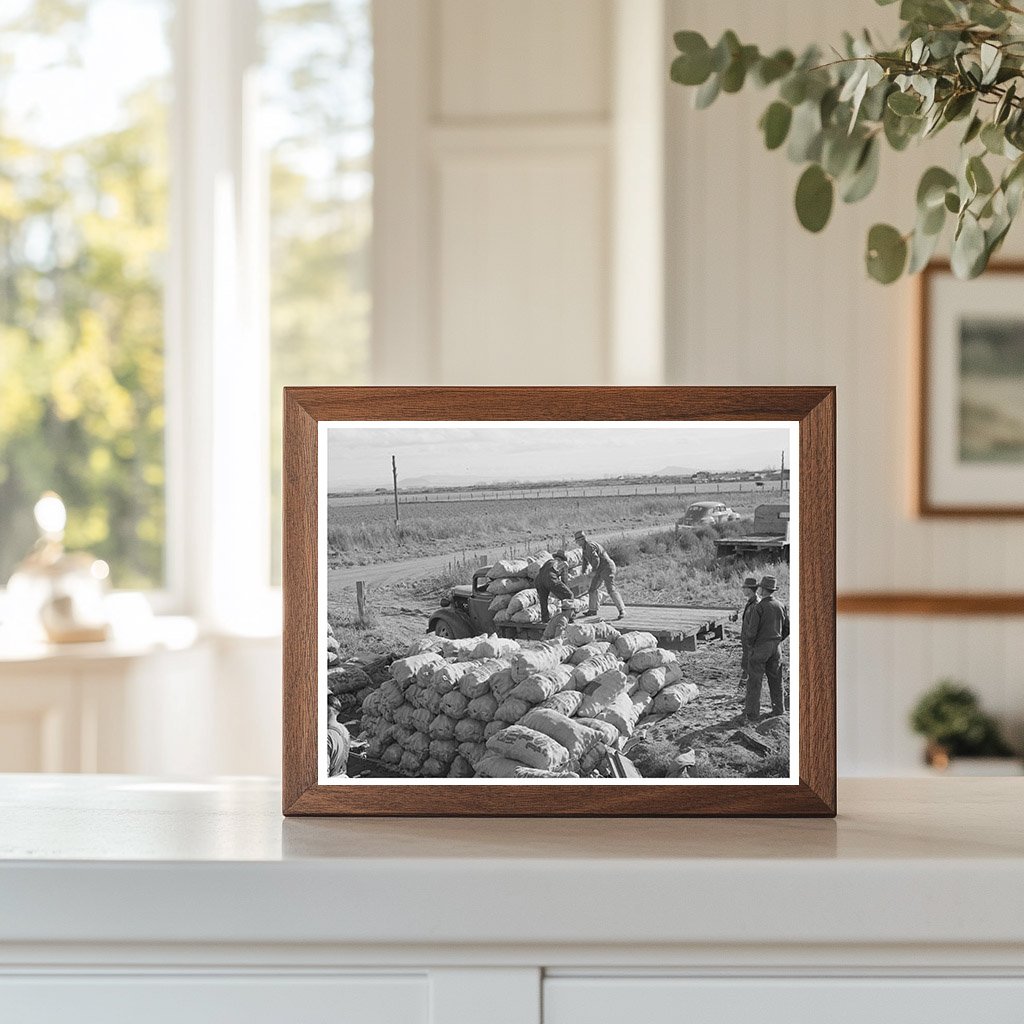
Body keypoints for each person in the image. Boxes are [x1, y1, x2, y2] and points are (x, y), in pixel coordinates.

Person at [741, 574, 790, 721]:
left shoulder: (760, 607)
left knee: (754, 681)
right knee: (776, 680)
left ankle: (752, 714)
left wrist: (751, 646)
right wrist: (777, 640)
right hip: (776, 648)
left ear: (762, 589)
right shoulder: (781, 605)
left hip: (761, 647)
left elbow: (751, 632)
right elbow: (787, 628)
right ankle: (778, 710)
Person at [574, 529, 626, 620]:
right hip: (599, 569)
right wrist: (583, 571)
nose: (577, 543)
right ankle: (592, 610)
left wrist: (593, 571)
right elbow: (585, 562)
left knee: (611, 589)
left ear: (582, 539)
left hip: (607, 567)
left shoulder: (590, 546)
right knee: (592, 589)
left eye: (578, 541)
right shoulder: (585, 548)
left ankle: (622, 610)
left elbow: (596, 560)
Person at [534, 550, 574, 623]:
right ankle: (567, 617)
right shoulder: (564, 563)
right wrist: (565, 590)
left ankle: (545, 619)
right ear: (563, 559)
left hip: (538, 580)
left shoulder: (549, 561)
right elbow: (564, 580)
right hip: (550, 578)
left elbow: (542, 571)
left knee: (543, 600)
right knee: (568, 595)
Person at [736, 575, 760, 693]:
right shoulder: (751, 602)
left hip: (751, 641)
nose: (743, 590)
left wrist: (750, 641)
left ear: (750, 589)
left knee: (749, 665)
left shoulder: (755, 604)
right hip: (748, 640)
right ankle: (743, 689)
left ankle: (745, 690)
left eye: (744, 588)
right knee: (746, 664)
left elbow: (754, 626)